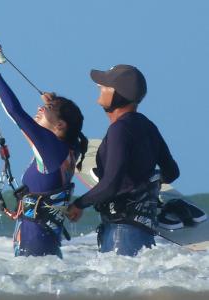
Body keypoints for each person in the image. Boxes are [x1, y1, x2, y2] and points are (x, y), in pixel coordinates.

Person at [0, 55, 88, 258]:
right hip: (45, 241)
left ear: (60, 126)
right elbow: (54, 127)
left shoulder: (52, 150)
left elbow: (15, 112)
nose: (38, 109)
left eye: (45, 109)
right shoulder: (69, 148)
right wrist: (52, 106)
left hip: (34, 243)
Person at [68, 64, 180, 256]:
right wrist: (147, 185)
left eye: (104, 86)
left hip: (121, 233)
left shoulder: (119, 130)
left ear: (117, 95)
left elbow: (111, 184)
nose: (99, 88)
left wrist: (79, 204)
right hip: (143, 232)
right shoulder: (147, 125)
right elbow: (171, 173)